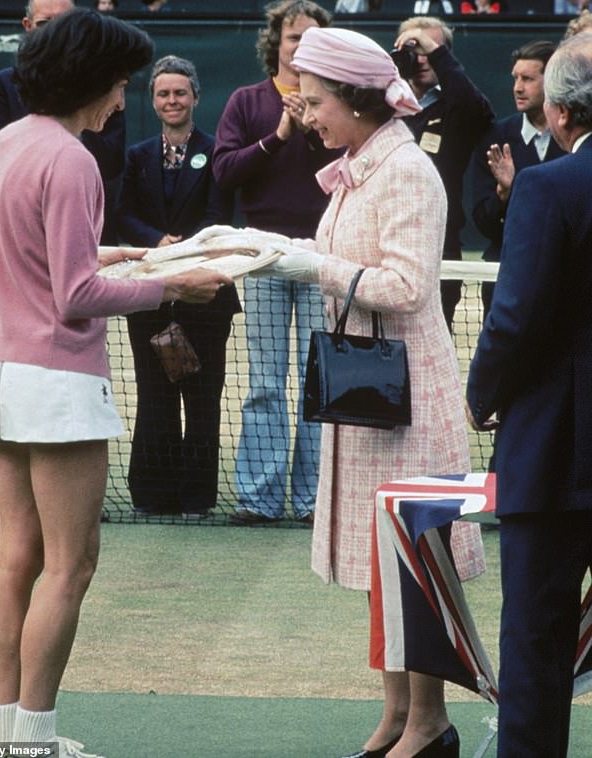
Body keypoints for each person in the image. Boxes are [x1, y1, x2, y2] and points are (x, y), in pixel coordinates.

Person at [0, 9, 231, 757]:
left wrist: (117, 256)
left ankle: (9, 742)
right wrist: (177, 288)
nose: (123, 99)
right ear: (90, 80)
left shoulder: (2, 146)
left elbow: (40, 259)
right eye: (118, 84)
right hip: (56, 383)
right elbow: (75, 295)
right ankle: (34, 742)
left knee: (16, 557)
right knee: (70, 566)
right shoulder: (73, 159)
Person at [248, 25, 474, 758]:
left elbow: (407, 287)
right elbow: (350, 260)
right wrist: (280, 252)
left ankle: (431, 723)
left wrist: (307, 268)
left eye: (315, 102)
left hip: (408, 401)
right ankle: (398, 717)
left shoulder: (405, 170)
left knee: (417, 566)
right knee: (388, 567)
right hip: (373, 396)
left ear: (353, 99)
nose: (307, 115)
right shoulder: (359, 166)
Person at [466, 31, 592, 758]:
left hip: (555, 456)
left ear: (560, 116)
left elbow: (514, 318)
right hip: (557, 448)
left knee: (537, 640)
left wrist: (481, 394)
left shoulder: (547, 186)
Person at [213, 0, 341, 525]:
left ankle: (315, 501)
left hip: (320, 256)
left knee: (318, 382)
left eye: (311, 38)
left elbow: (345, 167)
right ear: (277, 43)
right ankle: (259, 499)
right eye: (293, 38)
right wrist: (278, 137)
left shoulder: (335, 104)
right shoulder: (247, 102)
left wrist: (310, 130)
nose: (300, 47)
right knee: (266, 382)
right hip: (262, 254)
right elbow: (225, 173)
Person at [117, 55, 241, 519]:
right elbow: (123, 214)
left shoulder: (217, 153)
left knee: (204, 397)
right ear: (153, 100)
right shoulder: (137, 156)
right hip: (150, 295)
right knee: (154, 394)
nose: (172, 100)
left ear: (195, 97)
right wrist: (157, 243)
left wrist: (187, 247)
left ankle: (196, 498)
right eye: (163, 93)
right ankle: (153, 495)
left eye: (180, 93)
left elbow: (218, 214)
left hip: (207, 297)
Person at [0, 0, 126, 245]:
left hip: (89, 232)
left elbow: (112, 163)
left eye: (63, 23)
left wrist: (76, 109)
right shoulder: (2, 86)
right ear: (27, 27)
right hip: (25, 236)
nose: (55, 33)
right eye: (44, 24)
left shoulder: (103, 85)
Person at [393, 16, 493, 332]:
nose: (421, 58)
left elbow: (478, 110)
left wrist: (435, 52)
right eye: (413, 49)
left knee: (435, 336)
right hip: (386, 234)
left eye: (429, 49)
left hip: (438, 238)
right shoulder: (383, 104)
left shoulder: (458, 107)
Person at [472, 40, 565, 318]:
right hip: (507, 274)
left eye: (527, 79)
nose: (517, 87)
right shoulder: (495, 137)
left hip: (564, 273)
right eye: (515, 78)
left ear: (551, 82)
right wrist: (503, 194)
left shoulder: (576, 137)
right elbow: (483, 222)